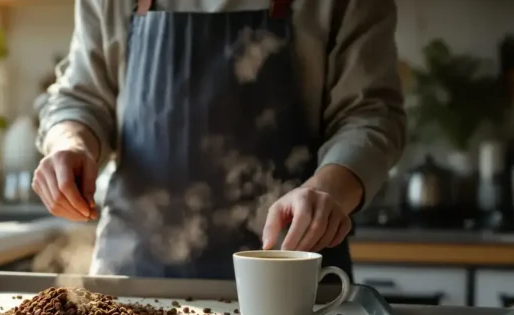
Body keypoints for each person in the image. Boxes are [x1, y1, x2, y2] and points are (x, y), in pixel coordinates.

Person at [33, 0, 406, 280]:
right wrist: (70, 144)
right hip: (135, 278)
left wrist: (328, 190)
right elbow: (81, 98)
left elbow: (369, 114)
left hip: (293, 278)